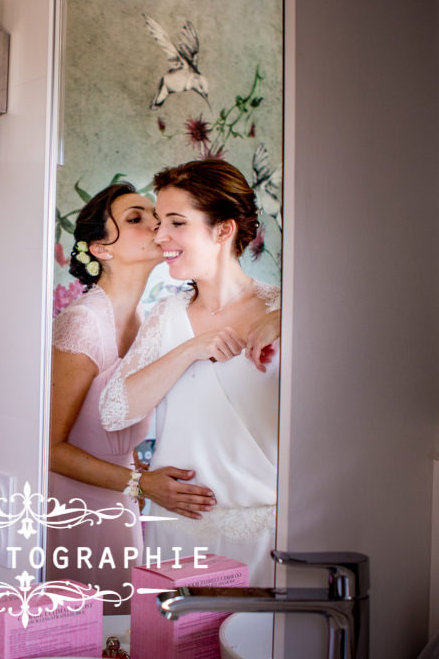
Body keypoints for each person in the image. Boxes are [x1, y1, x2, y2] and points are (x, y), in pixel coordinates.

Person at [99, 158, 281, 584]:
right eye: (160, 222)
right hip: (179, 538)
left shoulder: (286, 310)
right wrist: (191, 349)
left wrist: (292, 315)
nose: (160, 236)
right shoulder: (166, 315)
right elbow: (113, 411)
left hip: (265, 542)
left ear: (223, 229)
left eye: (176, 223)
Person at [46, 182, 216, 603]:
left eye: (153, 216)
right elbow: (46, 447)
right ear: (101, 249)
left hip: (120, 501)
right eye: (135, 219)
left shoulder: (147, 321)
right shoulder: (82, 323)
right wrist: (141, 485)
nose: (155, 225)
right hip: (72, 507)